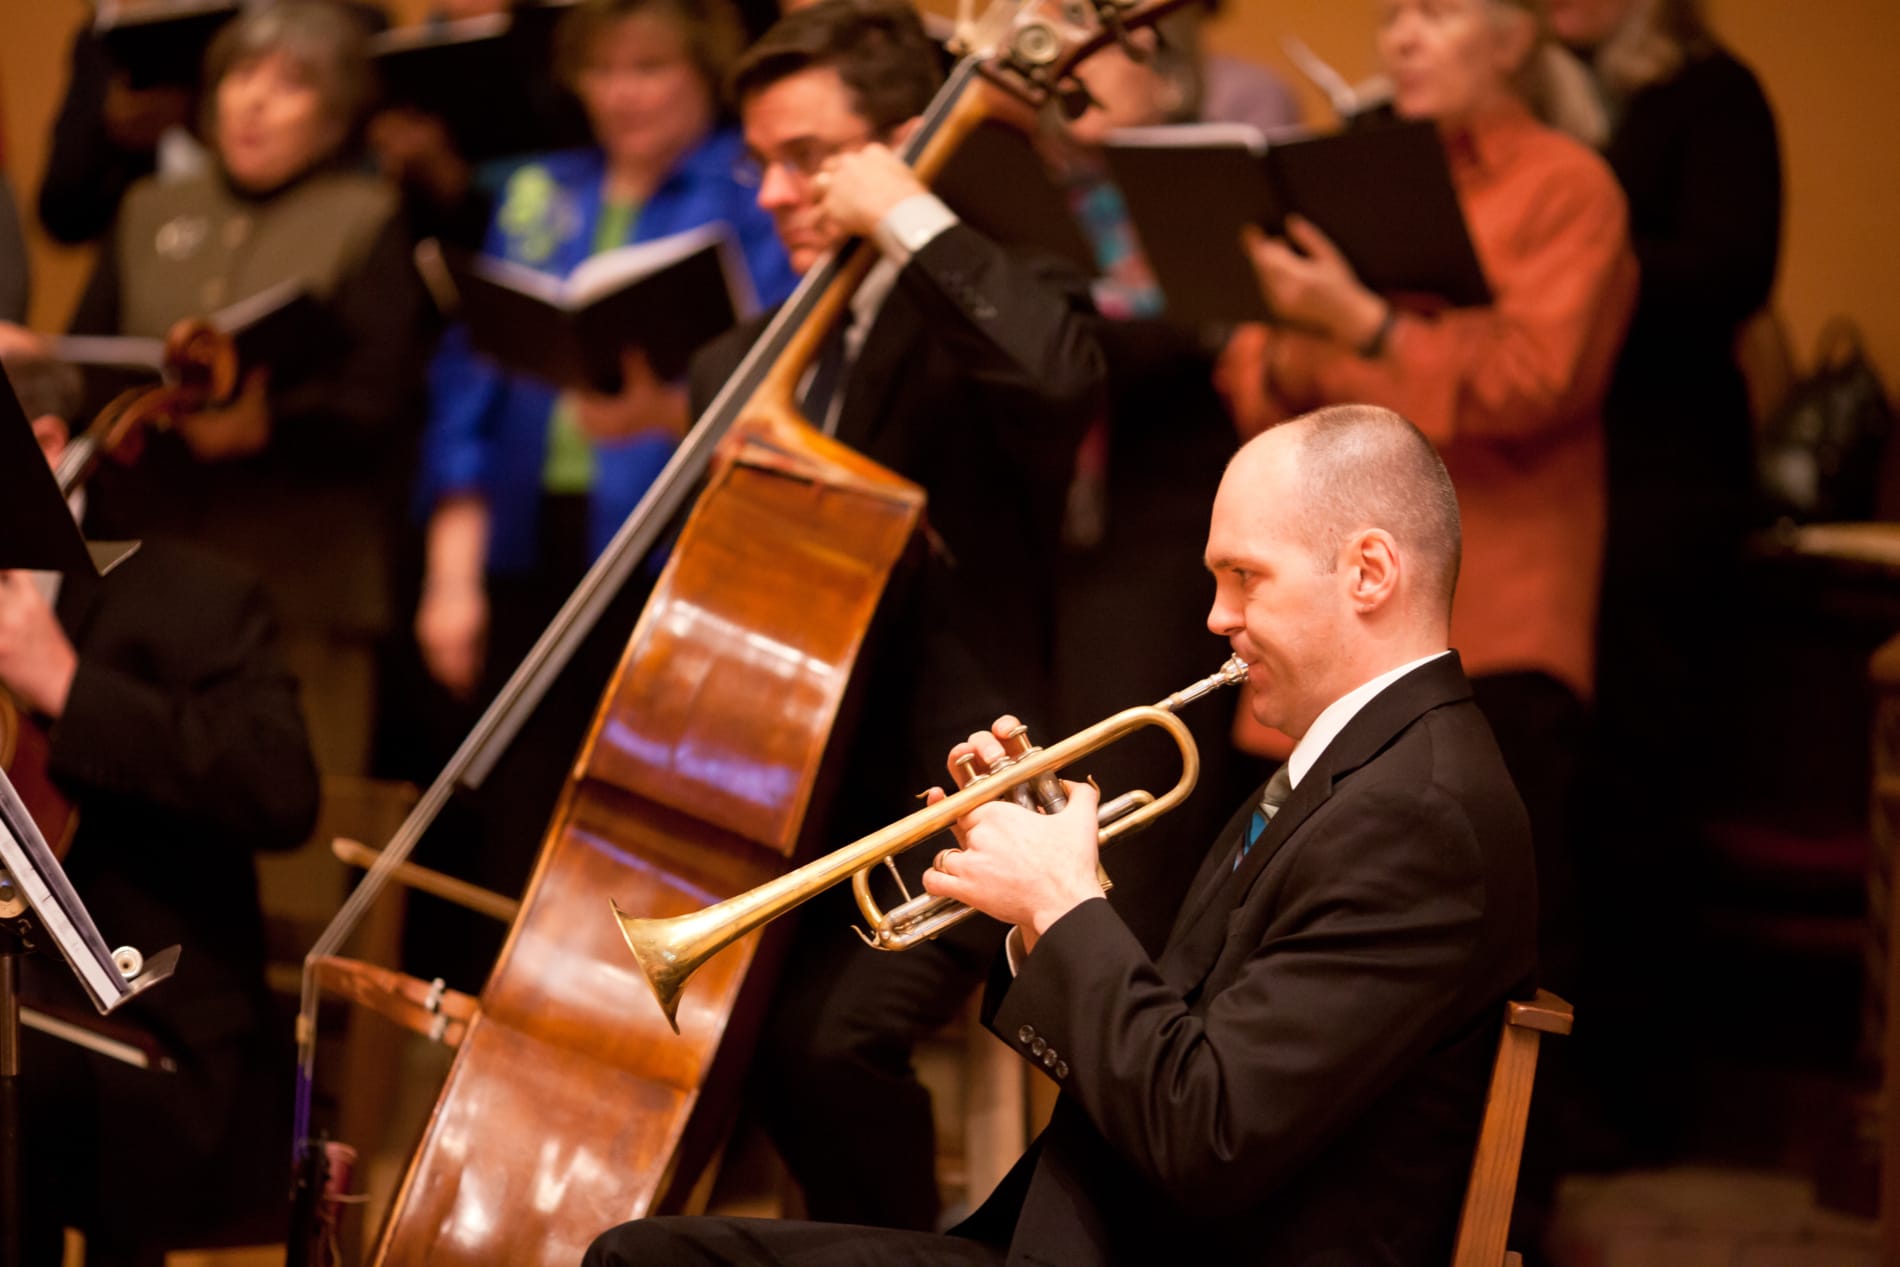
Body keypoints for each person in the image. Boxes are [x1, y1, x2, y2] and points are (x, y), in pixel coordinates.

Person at [585, 403, 1538, 1266]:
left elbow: (1204, 1133)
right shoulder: (1354, 769)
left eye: (1245, 577)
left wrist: (1064, 899)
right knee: (647, 1255)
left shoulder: (1420, 812)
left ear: (1369, 571)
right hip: (1089, 1238)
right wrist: (1031, 902)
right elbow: (1176, 1048)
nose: (1217, 617)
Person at [685, 0, 1103, 1231]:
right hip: (773, 804)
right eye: (758, 158)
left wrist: (906, 216)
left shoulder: (986, 304)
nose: (771, 191)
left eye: (806, 157)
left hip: (950, 797)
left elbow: (1058, 379)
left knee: (822, 1047)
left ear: (891, 149)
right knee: (719, 1033)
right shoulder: (745, 366)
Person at [1218, 0, 1636, 1003]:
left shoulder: (1564, 183)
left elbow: (1538, 379)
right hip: (1328, 610)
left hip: (1500, 598)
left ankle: (1503, 1166)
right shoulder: (1345, 169)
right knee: (1292, 918)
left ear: (1514, 37)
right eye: (1392, 14)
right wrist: (1316, 344)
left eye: (1436, 11)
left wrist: (1362, 330)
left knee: (1495, 943)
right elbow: (1248, 366)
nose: (1400, 36)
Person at [2, 348, 320, 1266]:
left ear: (47, 445)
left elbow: (282, 787)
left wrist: (66, 685)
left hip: (157, 1045)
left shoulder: (197, 597)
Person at [69, 1, 431, 781]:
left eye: (291, 84)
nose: (255, 101)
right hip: (143, 562)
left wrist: (273, 429)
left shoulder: (366, 215)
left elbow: (382, 400)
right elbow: (86, 369)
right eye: (240, 75)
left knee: (291, 830)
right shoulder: (148, 208)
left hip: (302, 580)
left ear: (334, 116)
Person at [1546, 0, 1781, 1160]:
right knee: (1572, 799)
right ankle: (1569, 1083)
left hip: (1661, 485)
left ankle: (1643, 1097)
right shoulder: (1549, 94)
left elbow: (1732, 270)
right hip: (1560, 478)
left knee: (1644, 783)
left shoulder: (1706, 95)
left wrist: (1573, 262)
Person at [413, 0, 796, 704]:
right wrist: (451, 575)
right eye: (601, 69)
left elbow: (788, 385)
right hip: (527, 536)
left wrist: (666, 411)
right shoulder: (539, 190)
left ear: (703, 74)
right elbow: (471, 386)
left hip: (676, 542)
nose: (622, 92)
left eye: (649, 67)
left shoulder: (755, 190)